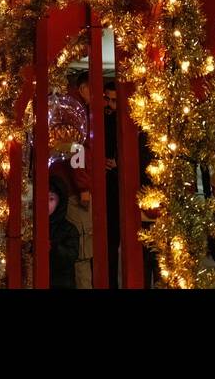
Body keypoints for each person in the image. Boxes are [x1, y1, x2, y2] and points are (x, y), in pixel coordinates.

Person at [49, 70, 94, 288]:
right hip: (73, 191)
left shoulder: (64, 107)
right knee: (82, 250)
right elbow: (77, 152)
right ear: (84, 88)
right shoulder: (75, 112)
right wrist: (83, 186)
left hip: (61, 186)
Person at [48, 175, 80, 289]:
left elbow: (71, 255)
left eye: (51, 199)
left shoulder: (69, 229)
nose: (47, 204)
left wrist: (54, 247)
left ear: (60, 202)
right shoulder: (35, 226)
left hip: (62, 283)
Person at [103, 80, 120, 288]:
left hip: (121, 190)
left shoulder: (124, 120)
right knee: (108, 244)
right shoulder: (101, 119)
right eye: (107, 99)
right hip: (106, 189)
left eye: (114, 101)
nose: (110, 105)